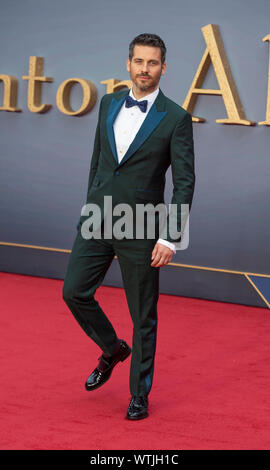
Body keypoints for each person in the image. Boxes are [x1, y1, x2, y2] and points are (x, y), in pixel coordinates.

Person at [62, 33, 195, 420]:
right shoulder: (107, 103)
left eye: (152, 63)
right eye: (139, 61)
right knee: (74, 292)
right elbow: (98, 162)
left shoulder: (175, 118)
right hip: (98, 219)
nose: (144, 69)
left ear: (163, 68)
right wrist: (89, 208)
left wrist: (171, 236)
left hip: (142, 227)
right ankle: (112, 348)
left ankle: (140, 393)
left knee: (143, 315)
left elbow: (184, 182)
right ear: (128, 64)